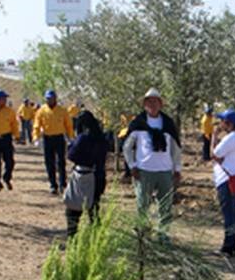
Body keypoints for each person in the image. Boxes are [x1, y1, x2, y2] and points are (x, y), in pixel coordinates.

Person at [122, 88, 183, 233]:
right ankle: (142, 238)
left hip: (165, 171)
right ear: (144, 104)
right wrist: (132, 166)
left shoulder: (168, 123)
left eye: (155, 101)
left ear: (160, 104)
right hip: (144, 171)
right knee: (142, 206)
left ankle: (163, 237)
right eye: (149, 101)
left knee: (165, 207)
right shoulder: (138, 123)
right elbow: (127, 147)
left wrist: (177, 169)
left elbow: (175, 148)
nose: (152, 104)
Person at [64, 109, 109, 237]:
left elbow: (71, 155)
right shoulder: (102, 138)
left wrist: (71, 145)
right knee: (93, 210)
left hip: (83, 176)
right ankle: (97, 239)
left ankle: (72, 239)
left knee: (72, 211)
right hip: (99, 177)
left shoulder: (83, 138)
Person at [210, 108, 235, 257]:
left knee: (229, 214)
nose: (220, 124)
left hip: (225, 180)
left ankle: (228, 246)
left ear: (228, 123)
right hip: (231, 178)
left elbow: (214, 154)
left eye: (222, 121)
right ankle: (234, 244)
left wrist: (213, 136)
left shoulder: (231, 138)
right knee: (233, 212)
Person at [33, 90, 74, 194]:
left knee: (61, 161)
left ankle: (62, 183)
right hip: (47, 138)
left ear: (55, 98)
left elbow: (68, 125)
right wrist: (36, 138)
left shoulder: (62, 110)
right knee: (49, 162)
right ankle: (53, 184)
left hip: (59, 138)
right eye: (47, 98)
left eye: (51, 98)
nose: (49, 100)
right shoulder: (41, 110)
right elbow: (37, 125)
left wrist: (71, 137)